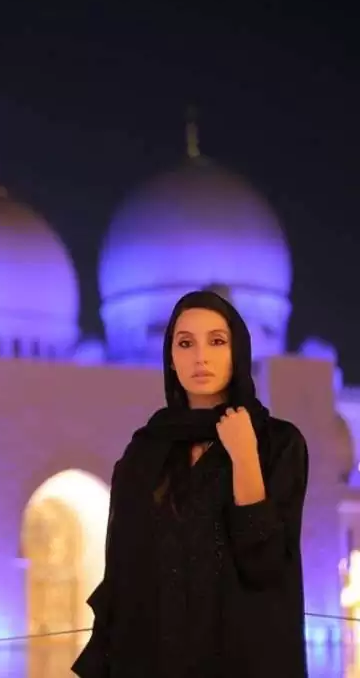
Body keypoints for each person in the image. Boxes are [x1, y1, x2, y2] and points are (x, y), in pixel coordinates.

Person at [72, 290, 309, 677]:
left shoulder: (277, 443)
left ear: (238, 350)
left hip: (242, 662)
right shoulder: (146, 450)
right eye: (186, 343)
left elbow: (265, 565)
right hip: (154, 661)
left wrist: (244, 455)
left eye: (217, 341)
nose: (201, 356)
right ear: (171, 357)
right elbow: (123, 572)